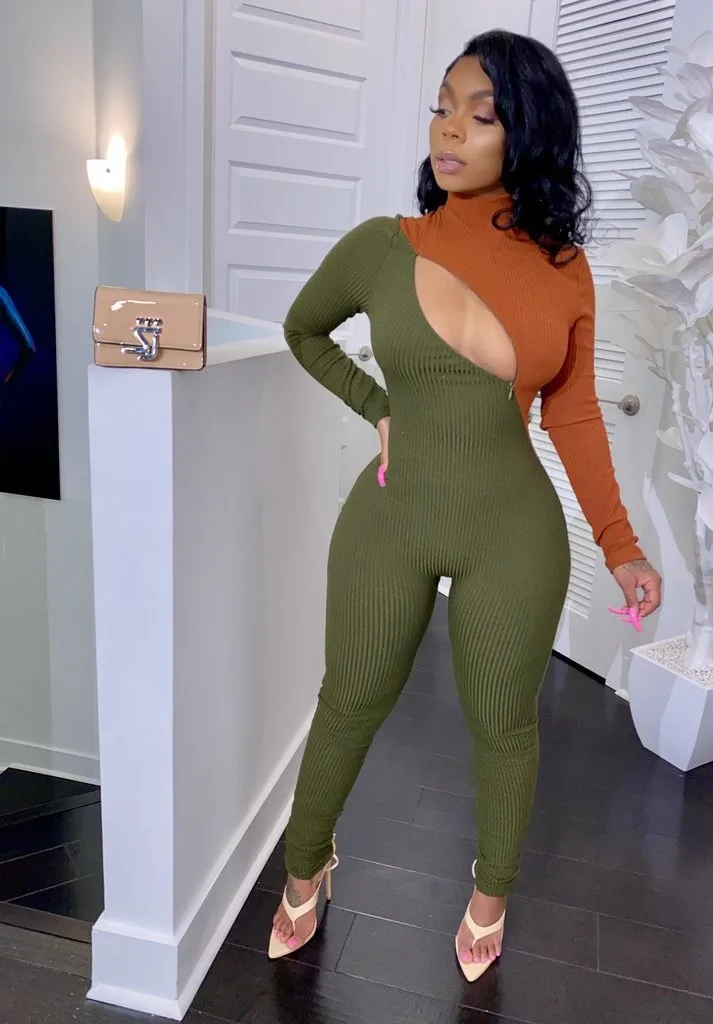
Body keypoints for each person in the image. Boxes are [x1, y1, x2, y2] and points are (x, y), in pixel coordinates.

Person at [269, 29, 662, 980]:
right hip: (392, 515)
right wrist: (379, 407)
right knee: (349, 700)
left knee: (504, 722)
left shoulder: (564, 270)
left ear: (526, 134)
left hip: (510, 529)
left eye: (480, 115)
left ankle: (491, 893)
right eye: (442, 107)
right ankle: (306, 866)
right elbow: (303, 330)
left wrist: (621, 545)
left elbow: (572, 413)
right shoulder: (381, 247)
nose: (449, 129)